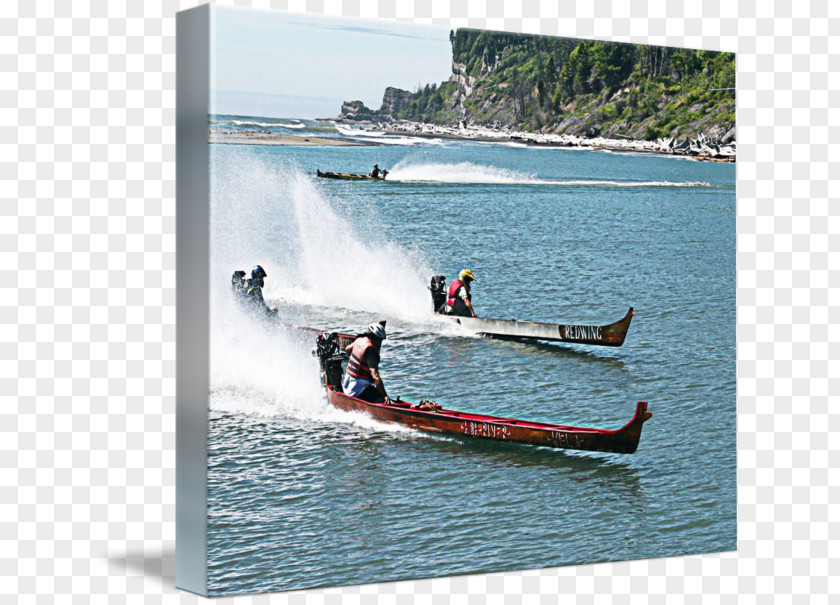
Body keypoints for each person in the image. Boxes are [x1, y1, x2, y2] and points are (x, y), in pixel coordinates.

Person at [342, 321, 392, 404]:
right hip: (357, 390)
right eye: (377, 339)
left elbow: (347, 350)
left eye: (381, 340)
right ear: (372, 336)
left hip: (347, 384)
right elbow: (375, 376)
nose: (379, 343)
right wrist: (385, 396)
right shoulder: (370, 351)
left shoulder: (359, 340)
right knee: (382, 400)